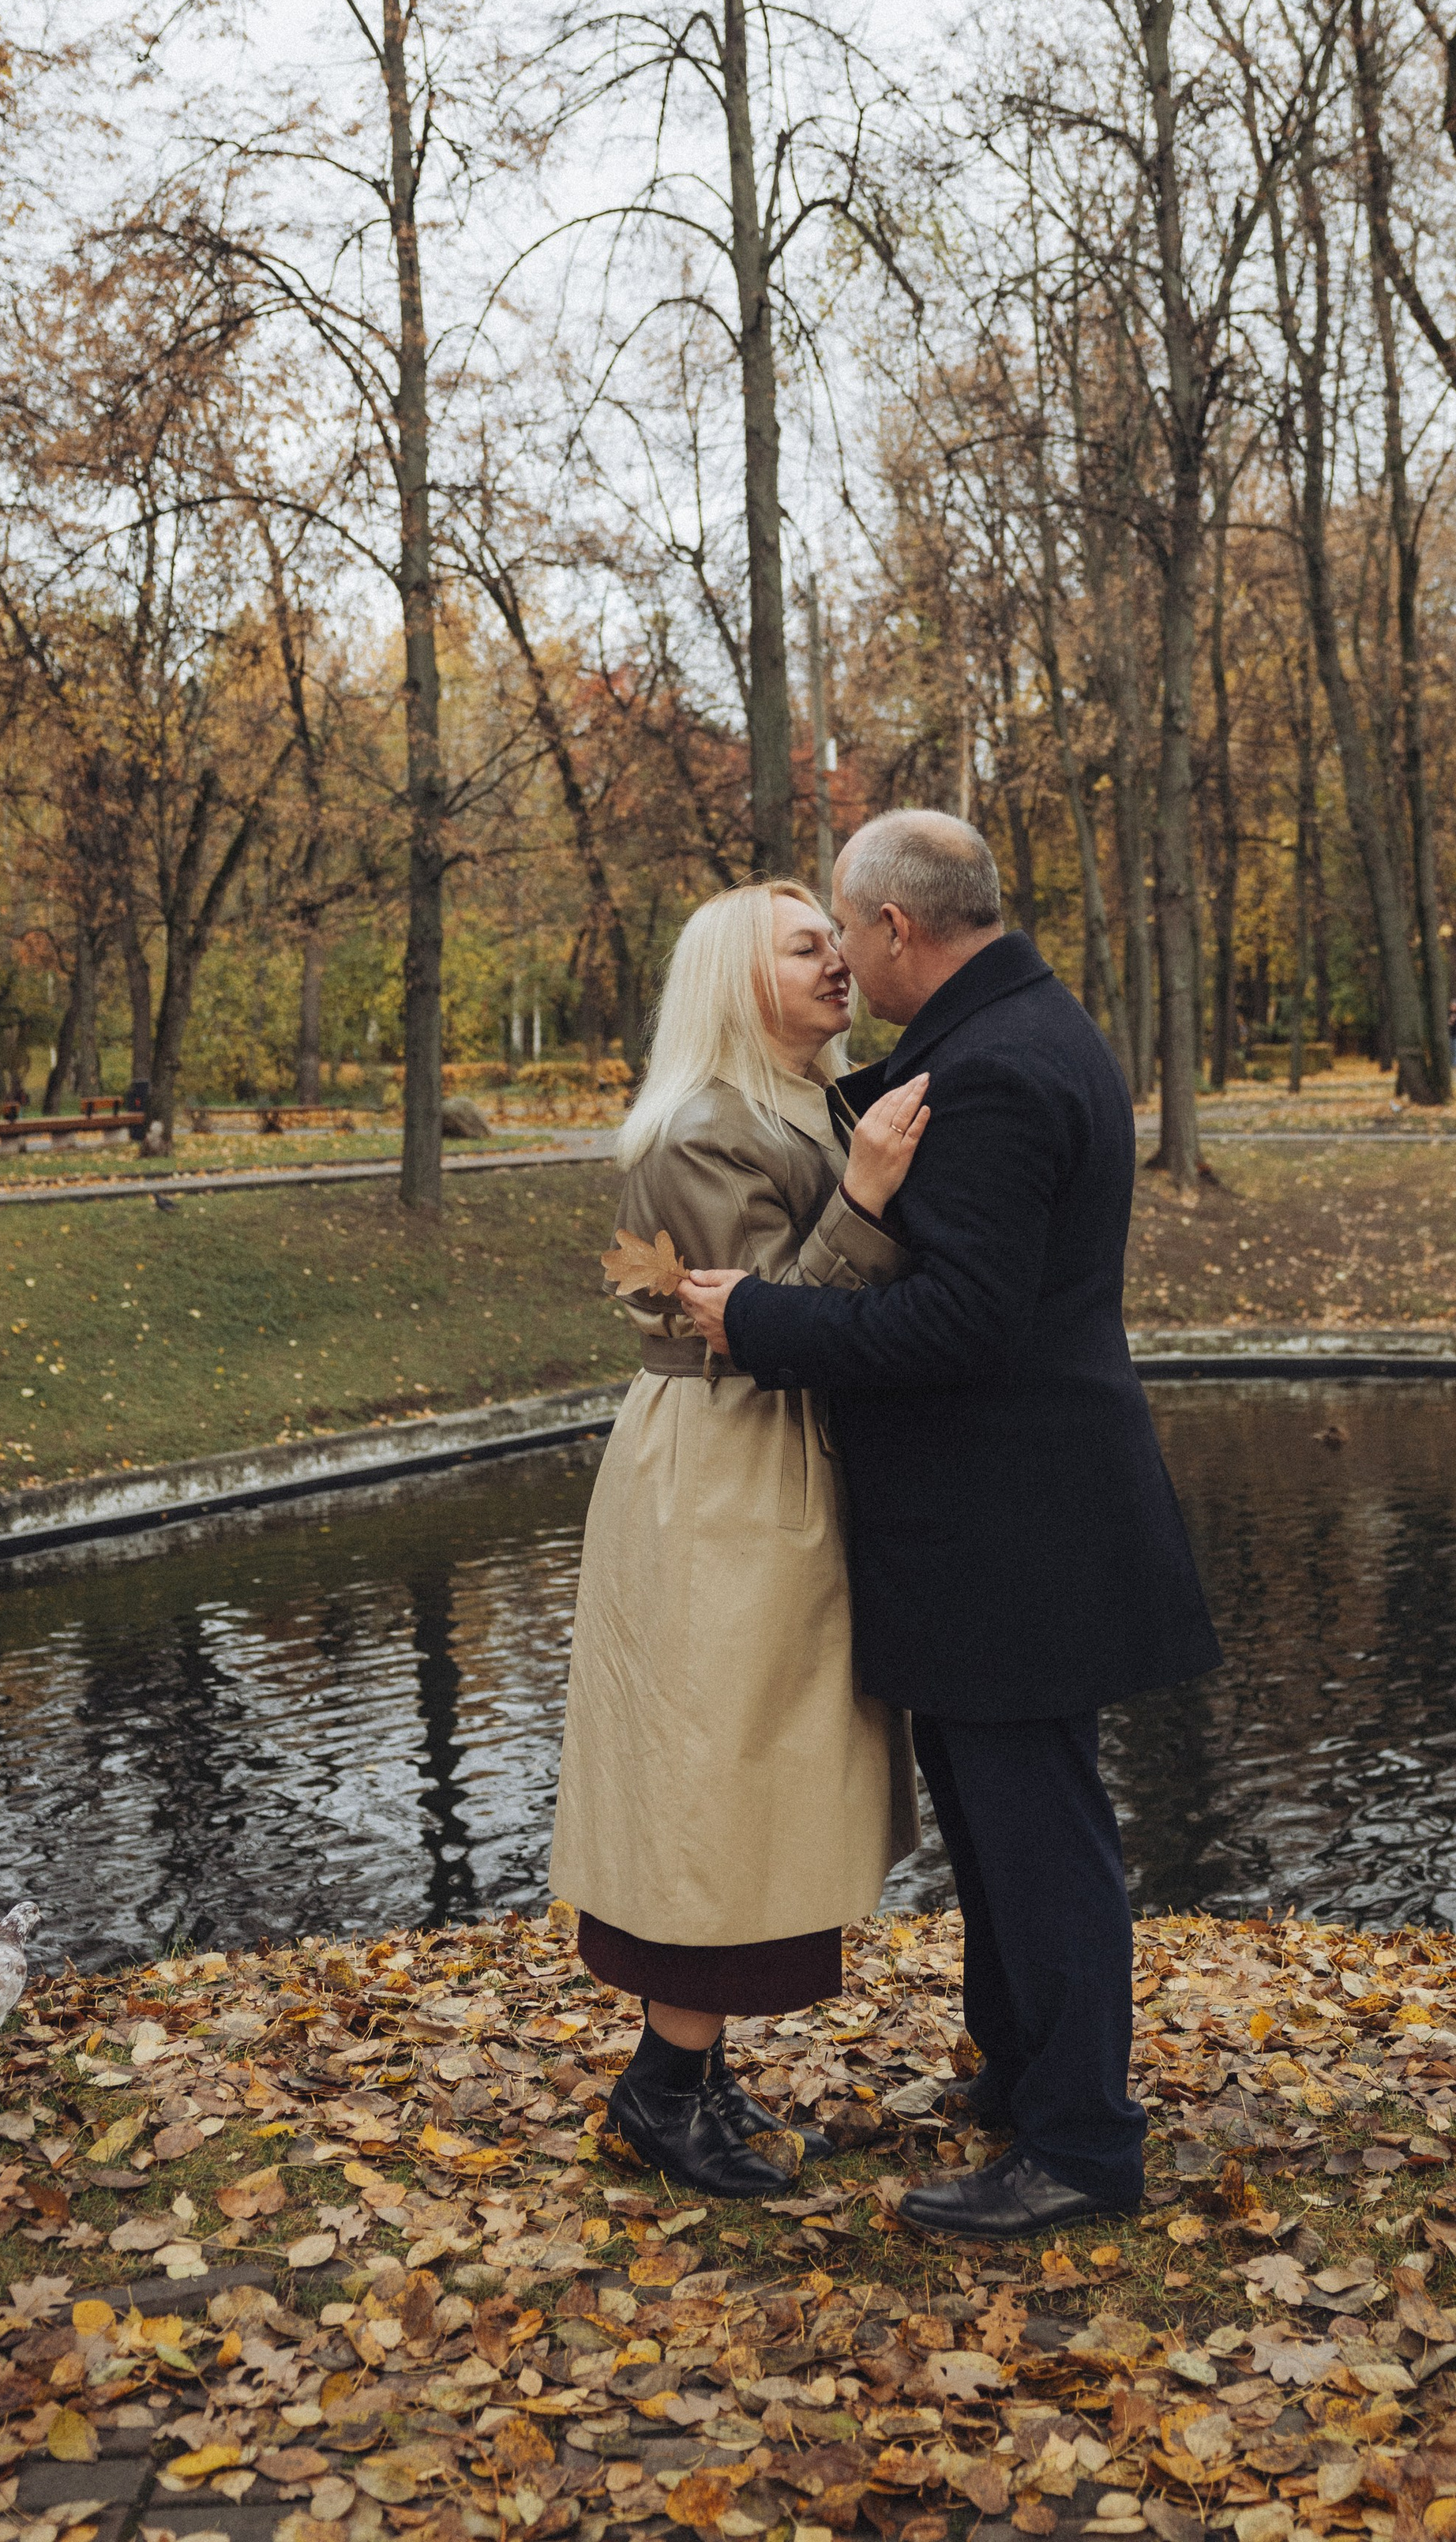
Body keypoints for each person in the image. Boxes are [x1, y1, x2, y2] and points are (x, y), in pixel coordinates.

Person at [680, 812, 1220, 2242]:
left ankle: (1084, 2146)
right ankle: (1028, 2075)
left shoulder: (993, 1071)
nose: (847, 963)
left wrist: (761, 1318)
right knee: (998, 1829)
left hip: (1016, 1531)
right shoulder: (1021, 1030)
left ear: (899, 928)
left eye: (848, 934)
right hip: (1010, 1521)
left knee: (1040, 1839)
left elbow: (962, 1323)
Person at [548, 881, 930, 2199]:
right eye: (807, 946)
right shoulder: (704, 1131)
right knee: (711, 1761)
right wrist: (870, 1193)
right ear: (733, 979)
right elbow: (755, 1326)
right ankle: (660, 2091)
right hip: (724, 1470)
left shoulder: (800, 1100)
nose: (841, 961)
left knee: (754, 1758)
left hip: (772, 1463)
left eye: (840, 938)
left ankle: (694, 2076)